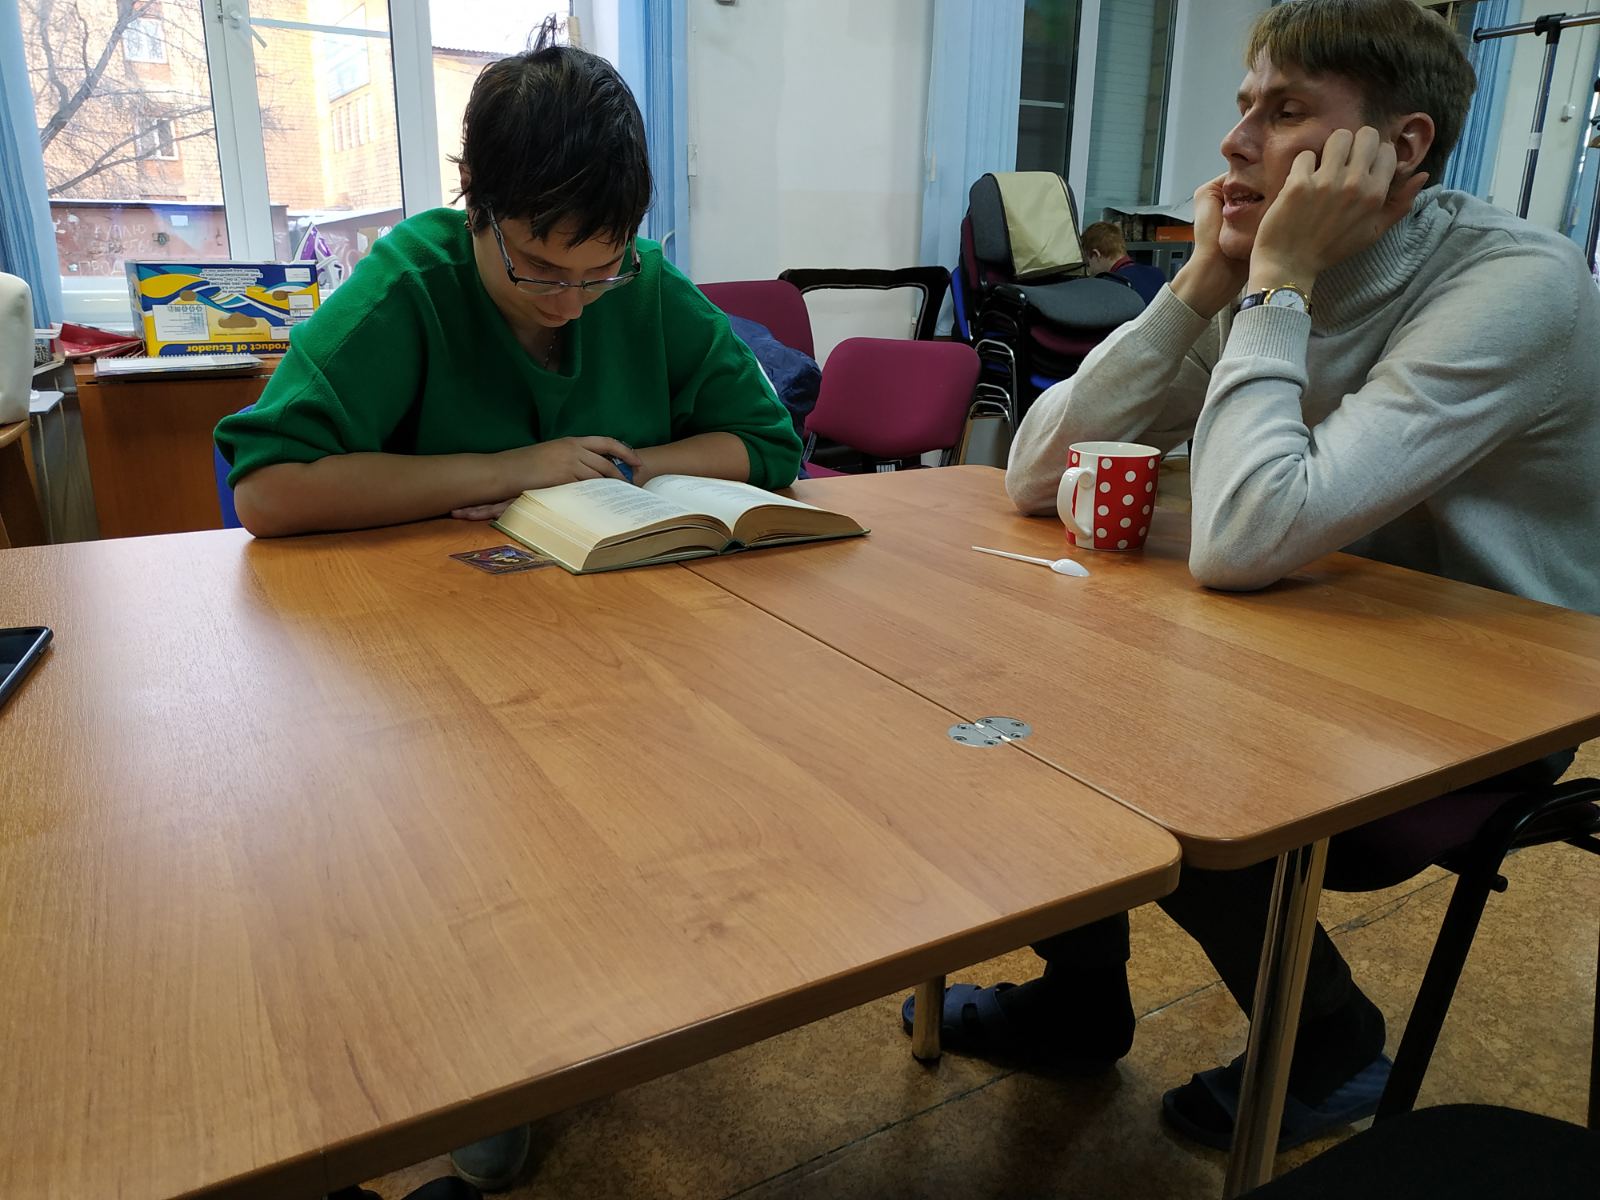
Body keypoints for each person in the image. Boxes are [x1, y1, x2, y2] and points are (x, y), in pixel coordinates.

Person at [909, 0, 1600, 1152]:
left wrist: (1275, 278)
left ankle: (1329, 1044)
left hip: (1492, 695)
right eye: (1243, 106)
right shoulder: (1261, 266)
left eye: (1282, 112)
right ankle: (1080, 1003)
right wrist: (1197, 287)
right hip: (1314, 626)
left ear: (1402, 145)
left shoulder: (1515, 285)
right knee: (1024, 687)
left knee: (1158, 753)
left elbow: (1240, 539)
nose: (1233, 143)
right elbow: (1033, 473)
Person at [215, 22, 801, 541]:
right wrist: (514, 470)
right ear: (474, 197)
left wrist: (608, 473)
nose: (572, 306)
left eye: (601, 271)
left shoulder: (647, 283)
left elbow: (768, 442)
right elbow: (267, 492)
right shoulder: (409, 285)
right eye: (540, 269)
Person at [1081, 220, 1168, 305]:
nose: (1090, 272)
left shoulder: (1106, 286)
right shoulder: (1157, 274)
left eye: (1088, 264)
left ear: (1096, 254)